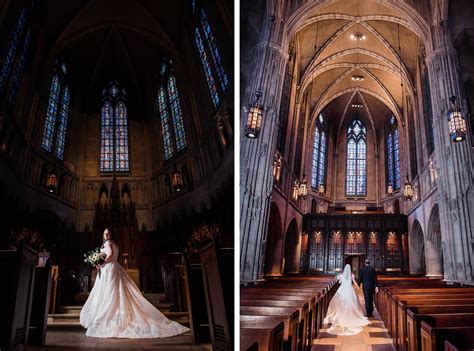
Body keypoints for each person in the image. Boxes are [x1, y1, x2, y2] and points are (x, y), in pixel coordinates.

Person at [80, 228, 189, 338]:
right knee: (115, 292)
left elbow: (110, 255)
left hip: (109, 269)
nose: (106, 235)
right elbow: (114, 255)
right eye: (104, 234)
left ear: (110, 235)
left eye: (108, 233)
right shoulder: (115, 244)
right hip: (114, 267)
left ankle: (110, 316)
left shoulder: (108, 244)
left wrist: (101, 263)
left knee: (110, 292)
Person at [323, 264, 369, 335]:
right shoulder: (352, 275)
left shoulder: (342, 275)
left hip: (342, 290)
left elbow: (340, 282)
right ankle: (350, 315)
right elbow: (354, 282)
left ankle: (341, 314)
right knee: (352, 303)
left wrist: (339, 277)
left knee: (341, 303)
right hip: (350, 290)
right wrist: (358, 287)